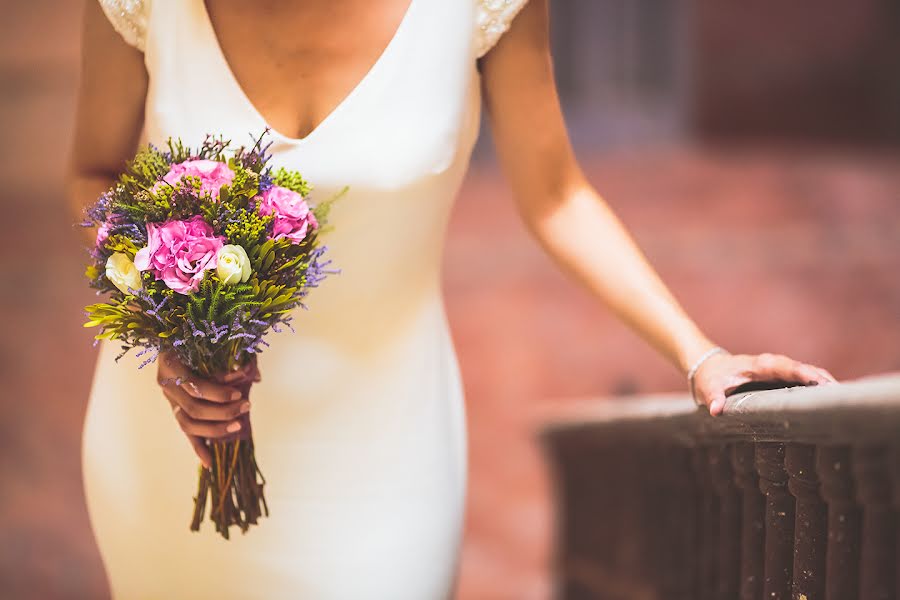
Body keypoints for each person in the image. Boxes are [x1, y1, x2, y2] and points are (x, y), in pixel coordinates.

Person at [68, 0, 837, 598]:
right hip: (167, 441)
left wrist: (699, 353)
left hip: (384, 452)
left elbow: (557, 196)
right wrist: (163, 319)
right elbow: (95, 171)